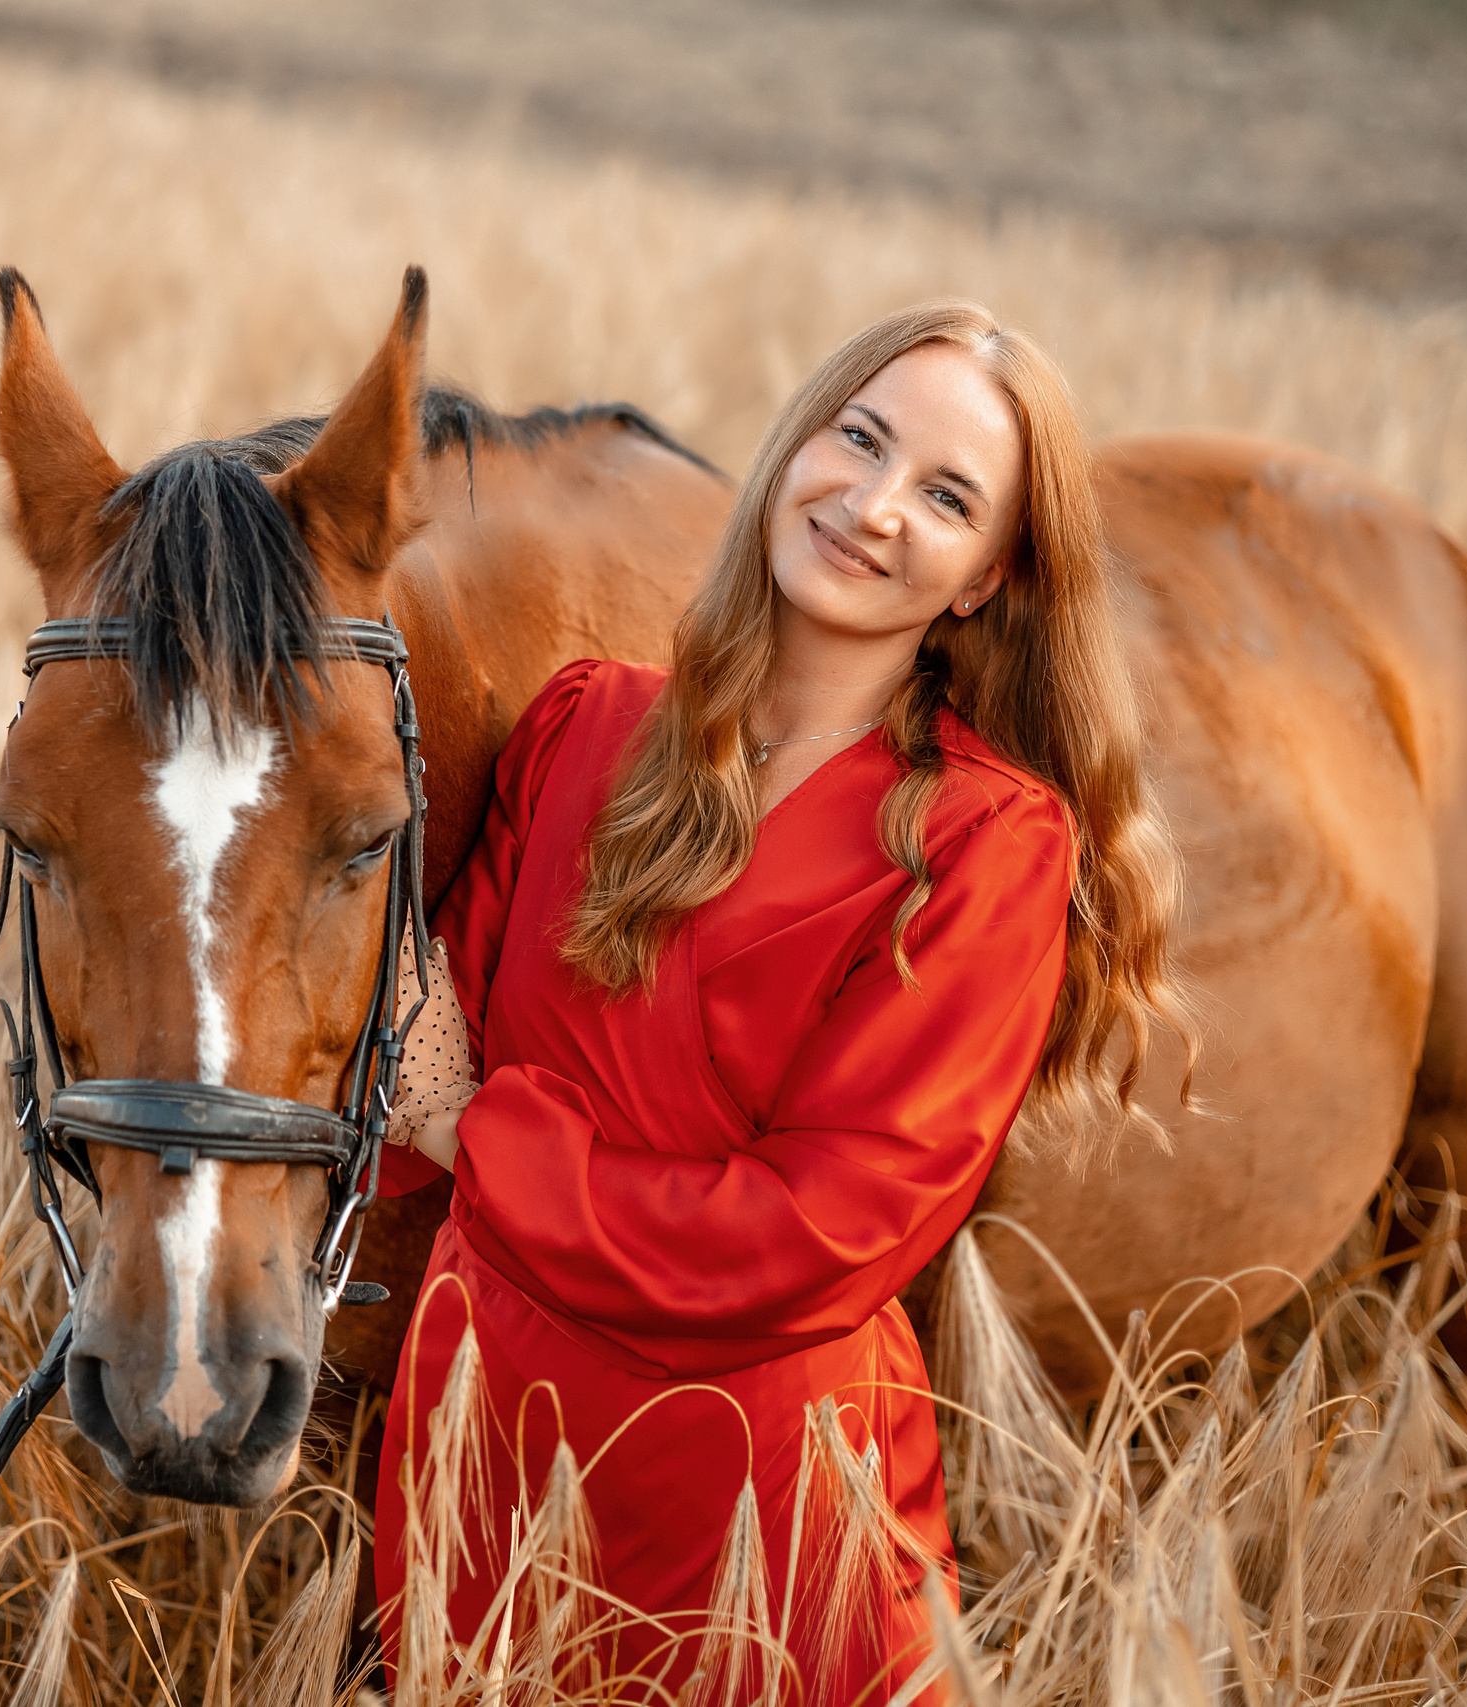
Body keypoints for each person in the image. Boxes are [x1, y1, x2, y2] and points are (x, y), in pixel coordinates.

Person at [367, 302, 1189, 1705]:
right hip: (472, 1444)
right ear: (794, 445)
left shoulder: (991, 848)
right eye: (857, 439)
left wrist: (474, 1139)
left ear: (989, 576)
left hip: (748, 1508)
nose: (872, 507)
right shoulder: (580, 725)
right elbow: (417, 1043)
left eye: (944, 496)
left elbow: (815, 1238)